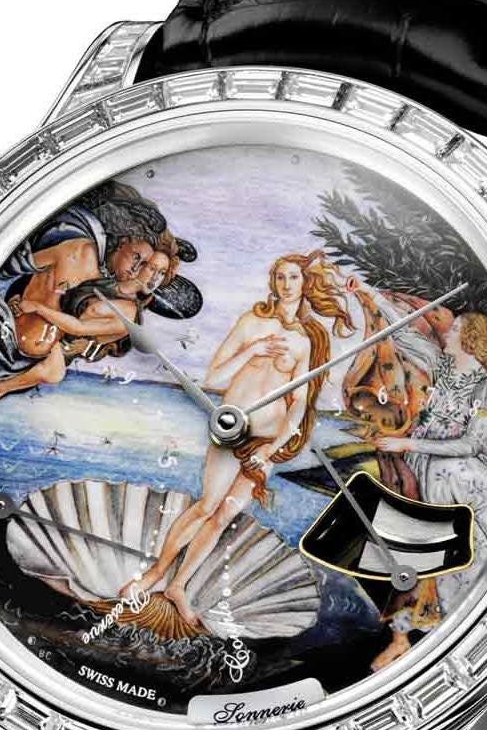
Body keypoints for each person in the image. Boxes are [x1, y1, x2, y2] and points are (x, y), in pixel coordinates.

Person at [124, 251, 355, 627]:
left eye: (294, 277)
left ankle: (178, 586)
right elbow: (213, 379)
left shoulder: (306, 341)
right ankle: (155, 574)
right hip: (232, 431)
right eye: (280, 277)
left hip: (267, 442)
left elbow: (299, 402)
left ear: (304, 283)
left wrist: (273, 449)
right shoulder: (251, 323)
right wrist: (253, 351)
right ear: (272, 282)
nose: (287, 284)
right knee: (206, 506)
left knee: (223, 516)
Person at [0, 184, 197, 417]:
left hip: (23, 359)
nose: (138, 271)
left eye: (153, 270)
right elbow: (14, 265)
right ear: (123, 243)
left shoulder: (123, 306)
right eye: (139, 260)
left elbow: (78, 329)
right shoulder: (85, 260)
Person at [370, 311, 487, 666]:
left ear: (471, 338)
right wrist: (367, 295)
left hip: (465, 483)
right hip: (433, 474)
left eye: (455, 329)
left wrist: (409, 445)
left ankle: (463, 646)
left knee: (463, 565)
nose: (447, 332)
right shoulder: (443, 368)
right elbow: (405, 335)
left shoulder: (486, 387)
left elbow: (472, 445)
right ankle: (407, 637)